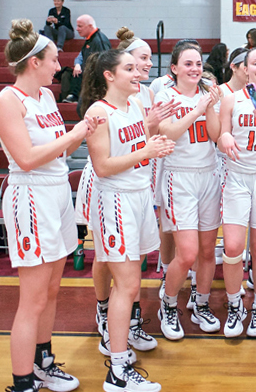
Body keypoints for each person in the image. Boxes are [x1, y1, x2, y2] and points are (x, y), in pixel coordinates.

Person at [0, 19, 101, 392]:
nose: (60, 66)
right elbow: (25, 158)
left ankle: (43, 361)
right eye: (54, 60)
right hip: (30, 195)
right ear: (34, 62)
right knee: (33, 298)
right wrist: (72, 134)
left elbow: (60, 152)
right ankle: (22, 381)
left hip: (56, 192)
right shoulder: (8, 101)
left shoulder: (47, 98)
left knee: (52, 290)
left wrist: (84, 130)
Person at [81, 49, 174, 392]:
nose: (138, 73)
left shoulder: (135, 106)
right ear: (109, 75)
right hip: (115, 200)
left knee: (132, 284)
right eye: (130, 68)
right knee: (128, 285)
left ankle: (120, 354)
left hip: (138, 197)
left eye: (138, 68)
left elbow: (135, 145)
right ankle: (117, 371)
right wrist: (146, 152)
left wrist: (154, 142)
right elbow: (104, 166)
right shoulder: (98, 112)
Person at [155, 42, 222, 339]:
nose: (195, 69)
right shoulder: (165, 95)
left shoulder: (207, 94)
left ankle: (201, 303)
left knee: (208, 251)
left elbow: (217, 136)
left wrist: (213, 106)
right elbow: (167, 132)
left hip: (208, 174)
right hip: (178, 177)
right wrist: (196, 110)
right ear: (174, 68)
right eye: (188, 64)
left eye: (198, 63)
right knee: (187, 253)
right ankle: (168, 304)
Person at [217, 47, 256, 338]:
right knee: (232, 247)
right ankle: (234, 304)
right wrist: (225, 135)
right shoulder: (232, 98)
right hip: (238, 179)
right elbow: (220, 137)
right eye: (255, 63)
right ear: (245, 68)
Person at [67, 15, 112, 105]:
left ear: (90, 26)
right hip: (89, 84)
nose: (77, 29)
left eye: (80, 26)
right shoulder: (90, 40)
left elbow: (105, 65)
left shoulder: (99, 41)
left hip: (95, 88)